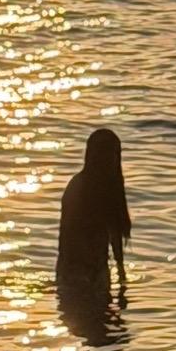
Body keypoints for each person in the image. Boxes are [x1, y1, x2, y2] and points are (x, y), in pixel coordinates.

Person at [56, 126, 130, 300]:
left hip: (98, 271)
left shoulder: (111, 189)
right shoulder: (78, 187)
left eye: (113, 154)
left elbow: (115, 232)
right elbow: (66, 236)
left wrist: (121, 275)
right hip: (75, 271)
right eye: (105, 154)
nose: (110, 160)